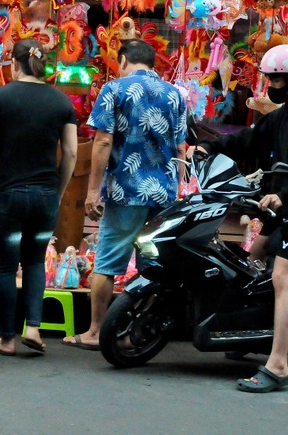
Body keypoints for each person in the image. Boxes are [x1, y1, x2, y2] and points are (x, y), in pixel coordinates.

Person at [195, 44, 288, 393]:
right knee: (252, 259)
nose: (270, 87)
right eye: (269, 80)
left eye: (276, 80)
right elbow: (250, 139)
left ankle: (278, 364)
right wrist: (209, 146)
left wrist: (285, 194)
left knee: (282, 277)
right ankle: (250, 334)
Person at [64, 39, 186, 351]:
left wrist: (94, 191)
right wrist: (179, 188)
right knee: (154, 267)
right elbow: (182, 147)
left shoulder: (115, 90)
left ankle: (95, 331)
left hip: (126, 192)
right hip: (164, 196)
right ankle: (138, 332)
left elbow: (103, 142)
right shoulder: (175, 94)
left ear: (122, 60)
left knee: (107, 263)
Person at [0, 38, 79, 356]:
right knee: (34, 260)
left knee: (5, 266)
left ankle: (6, 338)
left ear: (14, 64)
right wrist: (57, 191)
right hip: (45, 197)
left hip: (6, 197)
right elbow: (71, 151)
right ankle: (33, 327)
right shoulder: (62, 102)